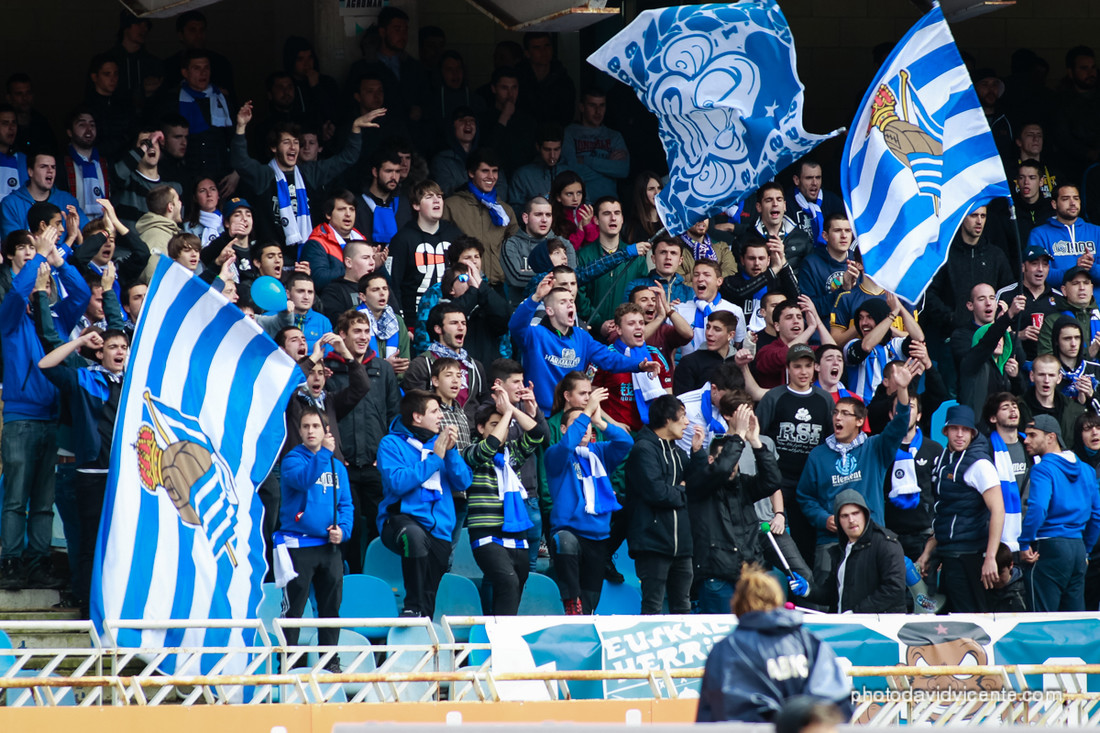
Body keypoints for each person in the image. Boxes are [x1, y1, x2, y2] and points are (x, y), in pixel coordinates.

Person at [0, 227, 90, 590]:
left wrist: (59, 262)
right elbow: (19, 289)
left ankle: (37, 562)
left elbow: (82, 295)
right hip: (21, 416)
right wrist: (37, 256)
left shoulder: (54, 320)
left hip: (51, 417)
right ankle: (9, 561)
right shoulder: (9, 316)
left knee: (42, 501)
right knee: (15, 498)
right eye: (19, 249)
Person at [796, 366, 912, 583]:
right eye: (836, 413)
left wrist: (902, 389)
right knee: (828, 603)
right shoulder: (818, 455)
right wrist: (823, 518)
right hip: (830, 541)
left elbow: (899, 425)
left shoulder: (875, 448)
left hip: (872, 539)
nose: (838, 418)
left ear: (860, 421)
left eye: (845, 414)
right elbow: (805, 497)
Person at [696, 566, 851, 723]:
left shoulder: (728, 648)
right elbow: (836, 699)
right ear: (777, 598)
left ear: (737, 602)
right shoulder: (809, 641)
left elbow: (718, 711)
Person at [230, 100, 380, 249]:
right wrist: (241, 126)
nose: (293, 147)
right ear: (274, 148)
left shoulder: (309, 173)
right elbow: (240, 161)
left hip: (306, 255)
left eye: (296, 142)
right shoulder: (264, 175)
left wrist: (355, 129)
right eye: (286, 142)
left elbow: (346, 158)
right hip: (273, 257)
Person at [376, 390, 473, 618]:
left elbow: (463, 481)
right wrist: (434, 458)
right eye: (435, 411)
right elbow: (398, 482)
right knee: (414, 538)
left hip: (439, 528)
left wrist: (450, 452)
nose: (441, 416)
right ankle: (410, 609)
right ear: (417, 417)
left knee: (428, 599)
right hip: (400, 520)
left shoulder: (440, 444)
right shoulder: (391, 444)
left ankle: (420, 630)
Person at [509, 275, 661, 413]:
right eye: (563, 302)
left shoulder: (582, 336)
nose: (570, 306)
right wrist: (536, 297)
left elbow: (609, 358)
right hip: (540, 414)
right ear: (549, 310)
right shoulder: (535, 334)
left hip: (573, 414)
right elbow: (515, 326)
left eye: (571, 301)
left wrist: (639, 365)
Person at [276, 408, 354, 670]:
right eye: (306, 426)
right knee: (294, 609)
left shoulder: (337, 466)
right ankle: (288, 663)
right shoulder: (292, 460)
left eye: (316, 426)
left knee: (331, 607)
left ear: (325, 431)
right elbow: (303, 480)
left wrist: (343, 530)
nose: (310, 431)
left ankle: (330, 661)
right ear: (299, 432)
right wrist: (324, 454)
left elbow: (346, 505)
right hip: (298, 546)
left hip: (329, 547)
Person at [687, 402, 782, 614]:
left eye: (736, 460)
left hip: (749, 576)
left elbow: (773, 481)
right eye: (729, 459)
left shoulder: (744, 485)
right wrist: (738, 435)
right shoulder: (699, 484)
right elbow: (721, 469)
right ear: (711, 460)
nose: (733, 466)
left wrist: (755, 441)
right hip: (716, 579)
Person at [544, 387, 633, 613]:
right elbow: (567, 445)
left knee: (590, 603)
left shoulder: (599, 452)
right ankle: (570, 602)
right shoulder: (556, 454)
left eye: (587, 424)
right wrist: (587, 412)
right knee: (565, 542)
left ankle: (582, 618)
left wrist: (600, 421)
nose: (584, 428)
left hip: (598, 535)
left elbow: (626, 443)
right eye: (577, 424)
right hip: (569, 531)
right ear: (564, 428)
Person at [325, 310, 400, 569]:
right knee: (350, 527)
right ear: (342, 335)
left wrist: (387, 456)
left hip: (375, 463)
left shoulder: (383, 369)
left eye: (367, 331)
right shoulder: (328, 369)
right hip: (342, 464)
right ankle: (352, 582)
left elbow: (394, 416)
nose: (364, 337)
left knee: (384, 524)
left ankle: (382, 582)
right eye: (357, 331)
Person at [462, 385, 544, 615]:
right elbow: (488, 448)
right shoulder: (471, 452)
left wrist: (512, 409)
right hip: (487, 533)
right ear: (480, 428)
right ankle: (501, 641)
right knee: (507, 582)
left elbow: (537, 434)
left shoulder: (512, 455)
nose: (502, 430)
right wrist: (507, 412)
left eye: (505, 427)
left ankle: (497, 636)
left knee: (516, 584)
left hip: (516, 533)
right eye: (494, 425)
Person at [917, 405, 1005, 613]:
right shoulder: (942, 460)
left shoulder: (980, 464)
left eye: (965, 429)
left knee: (970, 620)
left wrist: (991, 557)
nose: (959, 434)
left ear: (972, 433)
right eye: (954, 428)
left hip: (970, 556)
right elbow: (946, 512)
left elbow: (999, 510)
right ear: (945, 431)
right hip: (948, 555)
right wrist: (927, 552)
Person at [756, 343, 836, 566]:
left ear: (816, 368)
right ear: (788, 368)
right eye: (797, 366)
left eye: (808, 366)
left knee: (805, 545)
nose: (803, 372)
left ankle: (802, 597)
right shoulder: (774, 397)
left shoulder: (824, 400)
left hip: (809, 484)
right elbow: (757, 437)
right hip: (776, 482)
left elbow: (830, 442)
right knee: (769, 541)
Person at [625, 394, 705, 615]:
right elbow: (657, 492)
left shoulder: (679, 452)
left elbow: (698, 487)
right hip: (653, 544)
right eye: (683, 416)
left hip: (683, 546)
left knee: (683, 607)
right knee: (653, 606)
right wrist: (683, 489)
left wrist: (697, 455)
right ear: (668, 419)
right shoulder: (643, 450)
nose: (687, 422)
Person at [1019, 414, 1100, 612]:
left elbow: (1038, 508)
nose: (1026, 440)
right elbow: (1097, 515)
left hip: (1049, 546)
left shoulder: (1042, 469)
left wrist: (1024, 542)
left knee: (1043, 621)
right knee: (1073, 621)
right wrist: (1086, 549)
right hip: (1078, 549)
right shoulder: (1087, 470)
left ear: (1051, 437)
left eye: (1032, 435)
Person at [790, 489, 907, 613]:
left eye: (856, 513)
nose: (851, 520)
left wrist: (856, 613)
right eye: (844, 516)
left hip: (877, 628)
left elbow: (894, 589)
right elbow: (833, 594)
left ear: (865, 514)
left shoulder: (886, 544)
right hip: (847, 626)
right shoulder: (842, 549)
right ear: (838, 521)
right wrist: (808, 590)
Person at [389, 179, 464, 321]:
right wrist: (402, 320)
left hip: (450, 317)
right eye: (429, 197)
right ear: (416, 205)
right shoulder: (402, 239)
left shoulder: (454, 234)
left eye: (439, 196)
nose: (437, 200)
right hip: (414, 319)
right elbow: (394, 284)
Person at [403, 302, 489, 422]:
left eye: (463, 323)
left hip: (471, 434)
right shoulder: (422, 364)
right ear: (438, 329)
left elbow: (485, 400)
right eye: (454, 323)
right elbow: (416, 405)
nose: (461, 327)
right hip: (437, 432)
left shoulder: (475, 366)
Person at [501, 195, 576, 305]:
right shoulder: (512, 244)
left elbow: (572, 276)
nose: (544, 220)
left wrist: (529, 274)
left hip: (560, 309)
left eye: (548, 215)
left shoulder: (564, 244)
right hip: (523, 311)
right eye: (538, 215)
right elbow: (516, 278)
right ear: (525, 218)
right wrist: (558, 274)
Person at [562, 87, 629, 201]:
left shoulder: (614, 136)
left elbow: (623, 170)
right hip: (579, 203)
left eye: (602, 105)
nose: (598, 111)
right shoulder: (569, 133)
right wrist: (607, 169)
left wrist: (586, 160)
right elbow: (571, 170)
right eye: (592, 105)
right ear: (582, 107)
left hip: (609, 204)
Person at [0, 151, 86, 240]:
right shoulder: (11, 204)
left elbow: (88, 235)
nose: (50, 171)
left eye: (53, 167)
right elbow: (14, 246)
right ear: (30, 172)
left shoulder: (67, 200)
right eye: (43, 166)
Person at [1028, 184, 1100, 286]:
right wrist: (1075, 270)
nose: (1072, 203)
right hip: (1057, 300)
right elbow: (1038, 274)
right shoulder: (1039, 234)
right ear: (1054, 204)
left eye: (1076, 198)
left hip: (1095, 300)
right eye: (1065, 199)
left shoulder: (1097, 232)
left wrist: (1092, 268)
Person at [298, 190, 368, 291]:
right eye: (342, 209)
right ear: (328, 215)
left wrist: (378, 265)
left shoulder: (363, 242)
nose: (348, 214)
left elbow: (385, 282)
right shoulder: (316, 243)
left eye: (352, 209)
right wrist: (354, 268)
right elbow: (318, 279)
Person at [744, 181, 813, 272]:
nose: (775, 204)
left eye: (779, 199)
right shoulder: (745, 239)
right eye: (769, 200)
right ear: (759, 207)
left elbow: (809, 276)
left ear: (784, 206)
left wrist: (783, 260)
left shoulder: (802, 238)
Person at [798, 213, 853, 318]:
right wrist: (843, 289)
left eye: (848, 230)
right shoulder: (810, 263)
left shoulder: (859, 261)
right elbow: (809, 308)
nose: (844, 236)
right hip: (823, 327)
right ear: (825, 236)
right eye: (837, 230)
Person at [786, 159, 844, 246]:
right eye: (809, 178)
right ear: (797, 180)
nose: (815, 183)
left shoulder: (833, 201)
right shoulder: (786, 203)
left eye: (818, 177)